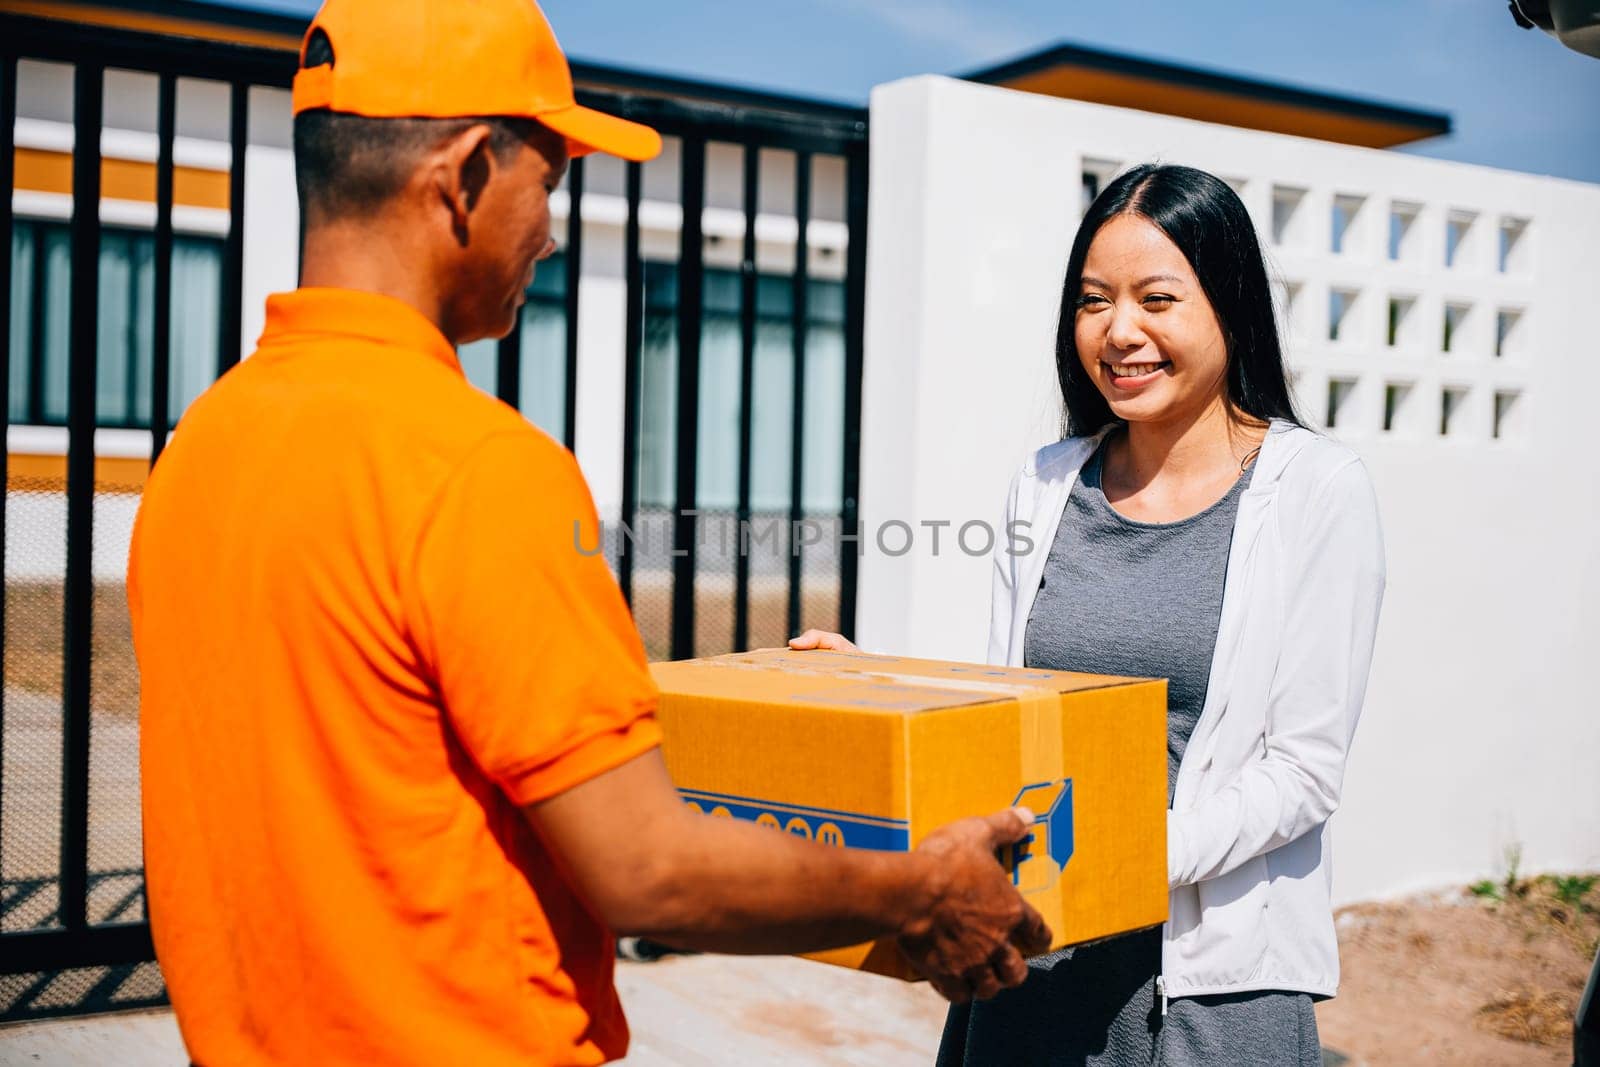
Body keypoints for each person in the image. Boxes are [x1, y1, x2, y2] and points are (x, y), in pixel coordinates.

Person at [127, 2, 1050, 1063]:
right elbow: (648, 869)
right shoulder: (473, 465)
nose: (552, 230)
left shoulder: (204, 448)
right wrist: (922, 890)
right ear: (467, 171)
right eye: (551, 179)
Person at [791, 163, 1386, 1065]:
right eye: (1093, 301)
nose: (1119, 332)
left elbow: (1302, 769)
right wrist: (869, 682)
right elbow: (1008, 710)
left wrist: (1120, 856)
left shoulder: (1317, 490)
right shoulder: (1045, 481)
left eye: (1157, 298)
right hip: (1037, 955)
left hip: (1207, 984)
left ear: (1231, 306)